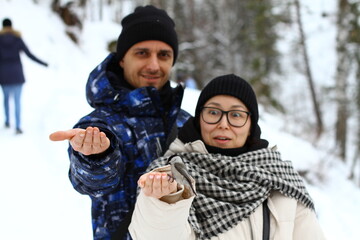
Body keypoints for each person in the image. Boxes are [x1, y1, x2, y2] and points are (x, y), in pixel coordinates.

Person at [49, 5, 191, 240]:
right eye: (142, 53)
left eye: (163, 55)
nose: (154, 65)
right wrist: (95, 156)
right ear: (123, 59)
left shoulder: (185, 120)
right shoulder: (102, 122)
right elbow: (92, 182)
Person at [129, 74, 326, 240]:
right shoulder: (171, 173)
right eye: (213, 112)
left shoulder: (280, 180)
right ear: (199, 119)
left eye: (236, 115)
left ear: (251, 125)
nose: (223, 123)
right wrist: (166, 200)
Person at [0, 18, 48, 134]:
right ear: (11, 26)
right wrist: (43, 63)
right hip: (17, 75)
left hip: (4, 75)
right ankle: (18, 126)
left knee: (6, 99)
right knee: (17, 101)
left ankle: (7, 121)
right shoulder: (17, 38)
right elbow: (29, 54)